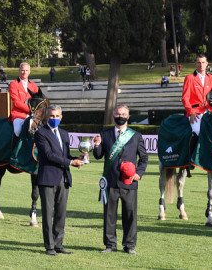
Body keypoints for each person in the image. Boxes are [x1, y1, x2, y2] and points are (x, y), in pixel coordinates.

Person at [93, 104, 148, 255]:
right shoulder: (105, 134)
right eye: (118, 114)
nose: (120, 116)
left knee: (129, 215)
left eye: (123, 114)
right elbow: (98, 156)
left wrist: (139, 173)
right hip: (110, 182)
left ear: (128, 117)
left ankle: (129, 245)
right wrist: (96, 145)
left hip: (129, 183)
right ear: (113, 116)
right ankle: (110, 245)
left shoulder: (136, 136)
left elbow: (144, 159)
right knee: (109, 215)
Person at [33, 105, 85, 256]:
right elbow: (49, 155)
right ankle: (49, 246)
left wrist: (77, 159)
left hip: (64, 178)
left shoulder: (64, 133)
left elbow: (65, 156)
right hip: (48, 178)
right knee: (48, 213)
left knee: (61, 214)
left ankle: (58, 245)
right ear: (46, 117)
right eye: (51, 116)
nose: (54, 119)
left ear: (61, 117)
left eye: (57, 116)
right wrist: (70, 162)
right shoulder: (41, 133)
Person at [181, 54, 212, 177]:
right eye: (199, 63)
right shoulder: (189, 78)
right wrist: (190, 111)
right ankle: (189, 160)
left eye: (203, 62)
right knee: (197, 130)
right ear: (195, 64)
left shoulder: (211, 78)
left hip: (210, 111)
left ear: (207, 64)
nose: (201, 65)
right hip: (196, 112)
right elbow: (185, 98)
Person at [9, 62, 39, 139]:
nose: (24, 72)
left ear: (29, 71)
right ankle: (15, 149)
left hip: (33, 115)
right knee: (18, 131)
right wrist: (30, 110)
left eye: (26, 70)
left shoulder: (34, 85)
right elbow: (16, 102)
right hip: (18, 115)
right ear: (19, 71)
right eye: (22, 70)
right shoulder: (13, 84)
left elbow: (38, 100)